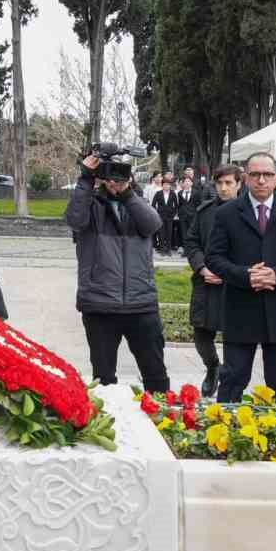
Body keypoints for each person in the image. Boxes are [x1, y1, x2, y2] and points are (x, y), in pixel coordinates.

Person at [207, 152, 276, 405]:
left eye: (267, 175)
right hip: (240, 308)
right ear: (245, 178)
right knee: (233, 380)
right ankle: (223, 435)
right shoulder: (227, 213)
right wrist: (246, 276)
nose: (261, 180)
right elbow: (214, 258)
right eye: (255, 174)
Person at [65, 151, 169, 393]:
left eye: (121, 174)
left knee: (156, 376)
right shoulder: (90, 205)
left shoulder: (137, 202)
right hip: (100, 304)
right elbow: (74, 220)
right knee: (104, 380)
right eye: (109, 175)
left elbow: (153, 225)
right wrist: (85, 179)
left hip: (141, 303)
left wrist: (127, 193)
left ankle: (161, 423)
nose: (114, 180)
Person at [184, 165, 242, 396]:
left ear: (239, 184)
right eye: (220, 183)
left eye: (229, 183)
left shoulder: (246, 212)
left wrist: (230, 272)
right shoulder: (205, 211)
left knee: (235, 335)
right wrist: (201, 267)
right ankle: (212, 367)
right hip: (206, 282)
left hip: (234, 284)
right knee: (201, 333)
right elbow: (192, 242)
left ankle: (230, 378)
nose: (224, 188)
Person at [152, 172, 180, 254]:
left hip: (170, 216)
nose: (166, 186)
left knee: (169, 233)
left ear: (170, 185)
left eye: (168, 185)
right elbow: (153, 204)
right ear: (162, 185)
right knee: (161, 233)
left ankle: (168, 249)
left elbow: (176, 205)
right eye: (164, 184)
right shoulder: (158, 193)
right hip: (160, 216)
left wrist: (174, 213)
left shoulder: (173, 193)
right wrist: (156, 214)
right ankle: (162, 249)